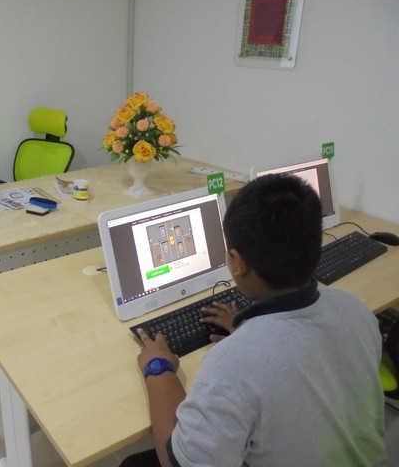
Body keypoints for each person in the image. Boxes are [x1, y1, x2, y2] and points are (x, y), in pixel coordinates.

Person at [124, 174, 388, 467]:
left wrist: (157, 368)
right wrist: (248, 330)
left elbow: (176, 462)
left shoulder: (232, 363)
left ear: (237, 261)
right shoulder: (355, 310)